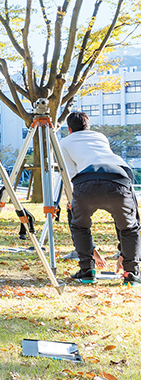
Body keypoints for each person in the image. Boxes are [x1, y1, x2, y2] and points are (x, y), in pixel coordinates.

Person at [59, 111, 140, 286]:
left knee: (79, 226)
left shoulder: (64, 142)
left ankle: (87, 271)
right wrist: (123, 252)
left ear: (69, 129)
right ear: (88, 126)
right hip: (119, 178)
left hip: (86, 181)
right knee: (129, 227)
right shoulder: (101, 137)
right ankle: (131, 272)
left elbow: (69, 173)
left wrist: (71, 200)